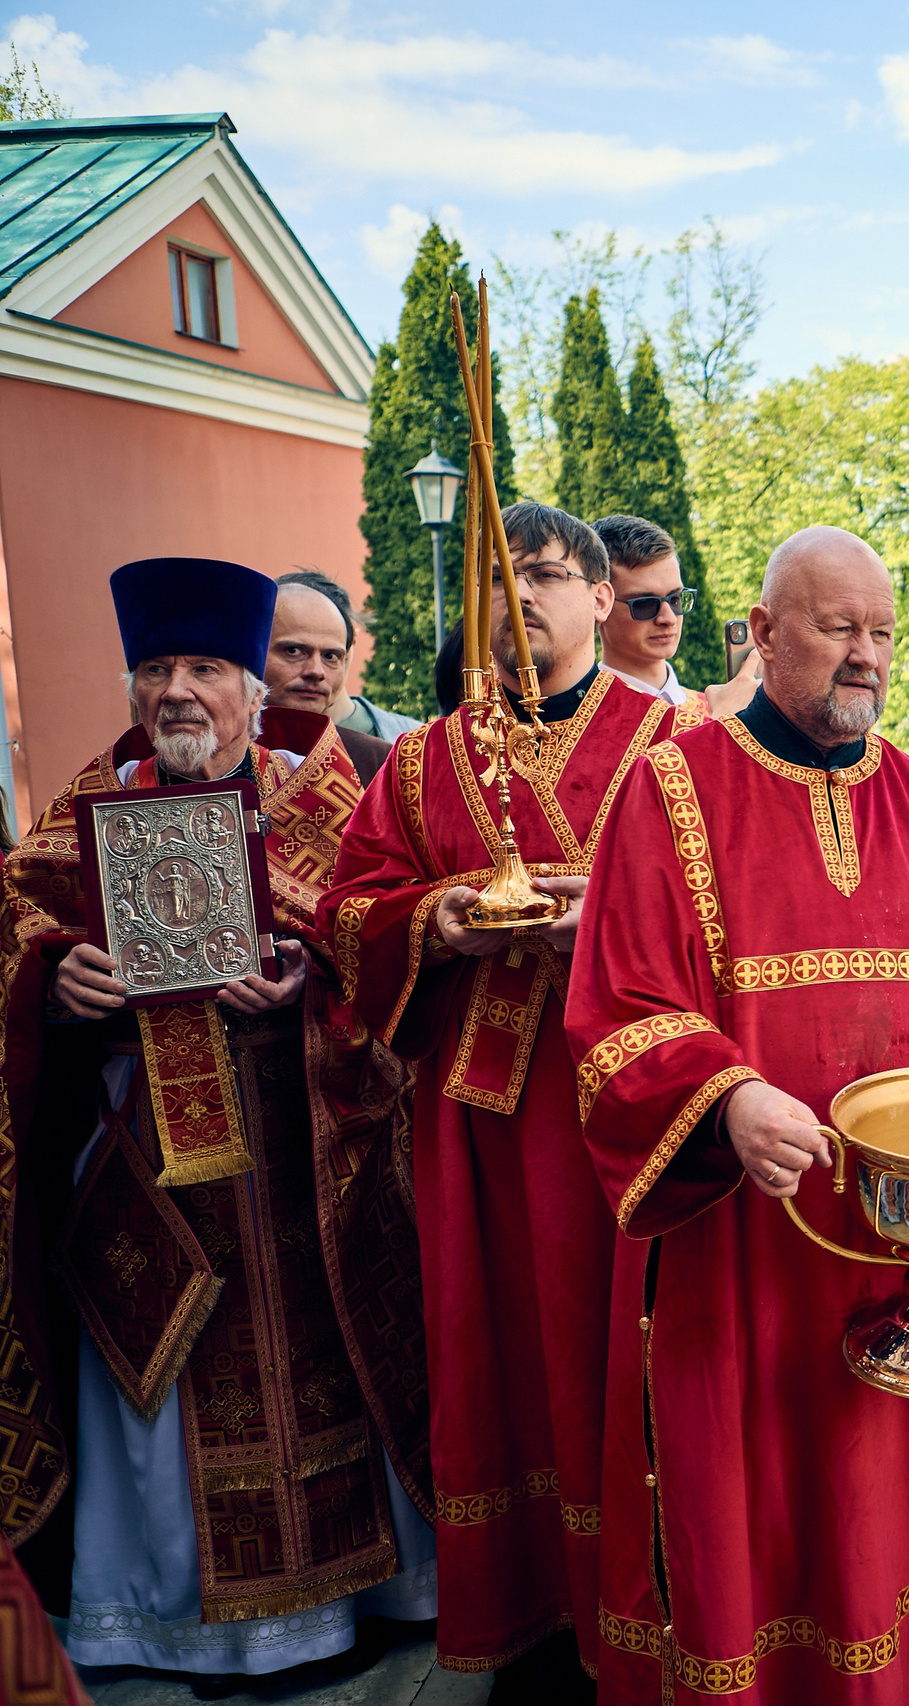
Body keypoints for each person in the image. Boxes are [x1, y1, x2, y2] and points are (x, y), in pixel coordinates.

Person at [566, 527, 909, 1704]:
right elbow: (615, 1009)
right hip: (745, 1252)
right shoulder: (669, 792)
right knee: (757, 1514)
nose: (866, 657)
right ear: (761, 633)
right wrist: (725, 1094)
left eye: (880, 632)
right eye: (838, 630)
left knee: (905, 1519)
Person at [2, 558, 431, 1682]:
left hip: (304, 1158)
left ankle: (363, 1597)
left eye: (202, 667)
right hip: (147, 1176)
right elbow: (15, 933)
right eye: (154, 667)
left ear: (251, 683)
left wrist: (312, 980)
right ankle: (172, 1617)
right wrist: (53, 982)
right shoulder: (85, 807)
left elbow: (383, 938)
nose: (176, 689)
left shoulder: (331, 801)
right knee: (169, 1386)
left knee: (325, 1365)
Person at [322, 502, 676, 1694]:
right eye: (495, 576)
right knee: (507, 1367)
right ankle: (533, 1625)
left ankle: (653, 1613)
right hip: (479, 1132)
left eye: (545, 573)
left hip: (633, 1121)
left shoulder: (668, 748)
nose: (520, 594)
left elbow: (732, 913)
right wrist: (438, 918)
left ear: (596, 598)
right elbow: (348, 905)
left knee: (631, 1367)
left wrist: (613, 919)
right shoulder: (426, 758)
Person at [268, 570, 394, 782]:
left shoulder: (381, 763)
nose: (316, 671)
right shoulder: (207, 755)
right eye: (293, 651)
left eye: (330, 656)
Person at [593, 514, 700, 708]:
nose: (669, 619)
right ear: (600, 604)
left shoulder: (715, 707)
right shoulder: (582, 724)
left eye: (675, 599)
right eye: (645, 604)